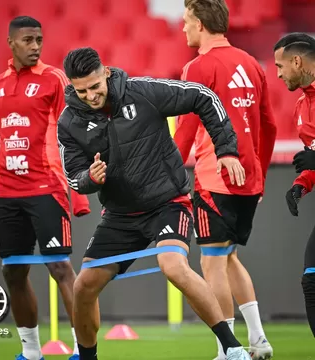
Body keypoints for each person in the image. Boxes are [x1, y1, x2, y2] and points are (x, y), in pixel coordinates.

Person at [58, 47, 253, 360]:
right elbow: (74, 177)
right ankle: (87, 356)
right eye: (81, 90)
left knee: (173, 265)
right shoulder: (69, 122)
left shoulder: (143, 92)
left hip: (168, 203)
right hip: (120, 216)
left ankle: (232, 348)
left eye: (95, 87)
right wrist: (90, 179)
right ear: (72, 86)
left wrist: (226, 150)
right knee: (83, 287)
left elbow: (203, 95)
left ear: (106, 72)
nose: (91, 96)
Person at [173, 1, 276, 358]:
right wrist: (259, 172)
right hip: (249, 180)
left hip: (214, 178)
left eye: (186, 21)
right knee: (229, 258)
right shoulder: (252, 64)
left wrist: (167, 174)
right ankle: (259, 340)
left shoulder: (198, 66)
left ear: (200, 23)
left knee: (211, 262)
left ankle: (227, 349)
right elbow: (269, 125)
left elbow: (185, 129)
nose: (183, 28)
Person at [0, 16, 91, 360]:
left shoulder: (54, 80)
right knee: (12, 271)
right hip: (7, 194)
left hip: (47, 188)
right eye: (28, 40)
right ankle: (31, 352)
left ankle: (82, 349)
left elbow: (73, 138)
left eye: (39, 40)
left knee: (60, 267)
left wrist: (79, 195)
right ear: (11, 42)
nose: (35, 47)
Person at [273, 32, 315, 337]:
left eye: (281, 65)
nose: (278, 73)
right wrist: (301, 184)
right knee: (311, 281)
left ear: (297, 61)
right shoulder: (302, 106)